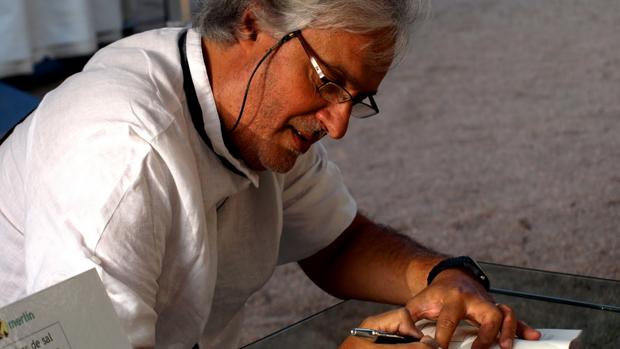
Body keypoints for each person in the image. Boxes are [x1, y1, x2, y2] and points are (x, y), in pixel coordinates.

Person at [0, 1, 542, 348]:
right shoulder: (116, 160)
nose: (340, 124)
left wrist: (445, 277)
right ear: (251, 20)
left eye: (359, 98)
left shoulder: (255, 117)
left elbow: (336, 243)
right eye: (329, 81)